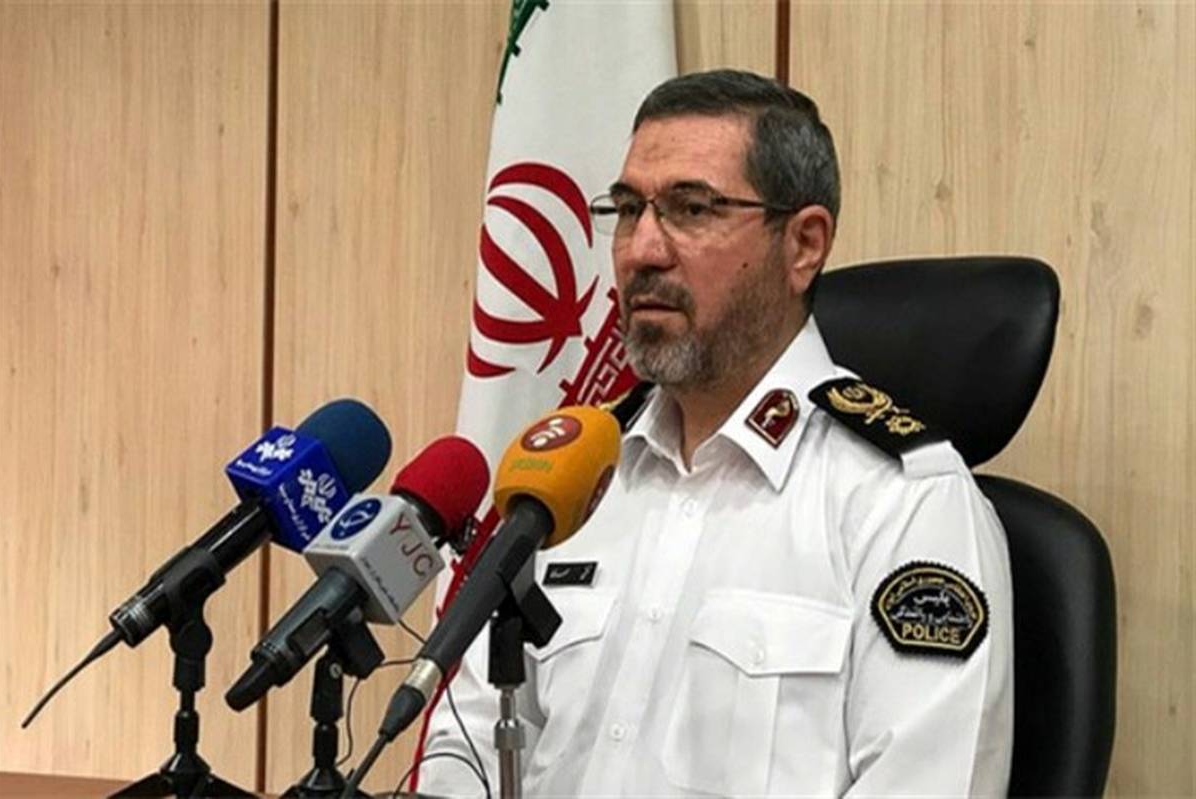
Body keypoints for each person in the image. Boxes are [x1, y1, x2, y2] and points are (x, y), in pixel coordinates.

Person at [419, 69, 1013, 797]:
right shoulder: (571, 481)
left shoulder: (903, 505)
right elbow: (470, 740)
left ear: (804, 245)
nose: (641, 250)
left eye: (691, 209)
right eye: (628, 209)